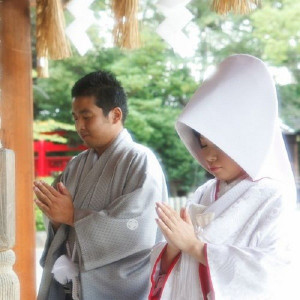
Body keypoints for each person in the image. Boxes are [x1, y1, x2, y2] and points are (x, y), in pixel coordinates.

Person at [148, 54, 296, 300]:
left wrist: (195, 247)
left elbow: (272, 274)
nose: (210, 157)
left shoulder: (273, 196)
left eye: (220, 145)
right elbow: (179, 260)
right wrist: (173, 247)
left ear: (244, 140)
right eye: (204, 145)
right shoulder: (205, 192)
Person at [34, 70, 168, 300]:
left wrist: (73, 216)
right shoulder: (76, 165)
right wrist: (56, 219)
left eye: (87, 116)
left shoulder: (140, 161)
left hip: (118, 289)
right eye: (75, 118)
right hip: (71, 287)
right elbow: (58, 220)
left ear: (115, 115)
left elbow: (137, 230)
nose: (79, 126)